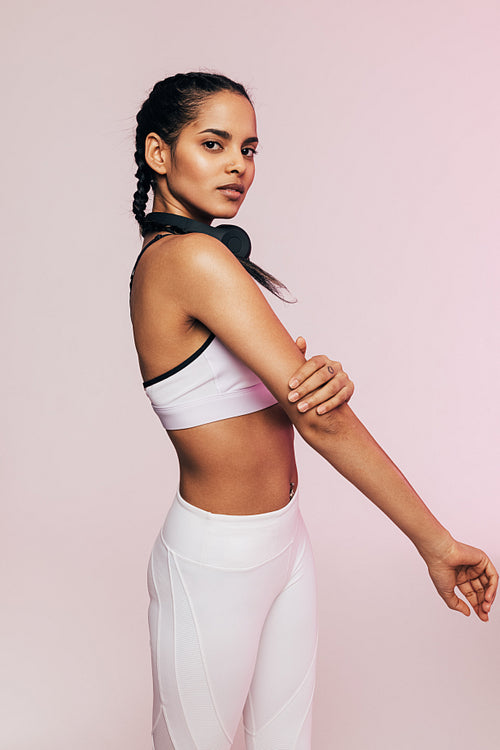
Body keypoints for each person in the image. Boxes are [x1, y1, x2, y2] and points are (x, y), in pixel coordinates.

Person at [129, 72, 497, 750]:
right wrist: (436, 543)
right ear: (159, 152)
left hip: (283, 542)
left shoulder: (207, 262)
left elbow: (293, 398)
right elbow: (317, 418)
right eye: (215, 143)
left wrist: (318, 377)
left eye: (250, 149)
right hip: (217, 560)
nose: (240, 165)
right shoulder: (189, 260)